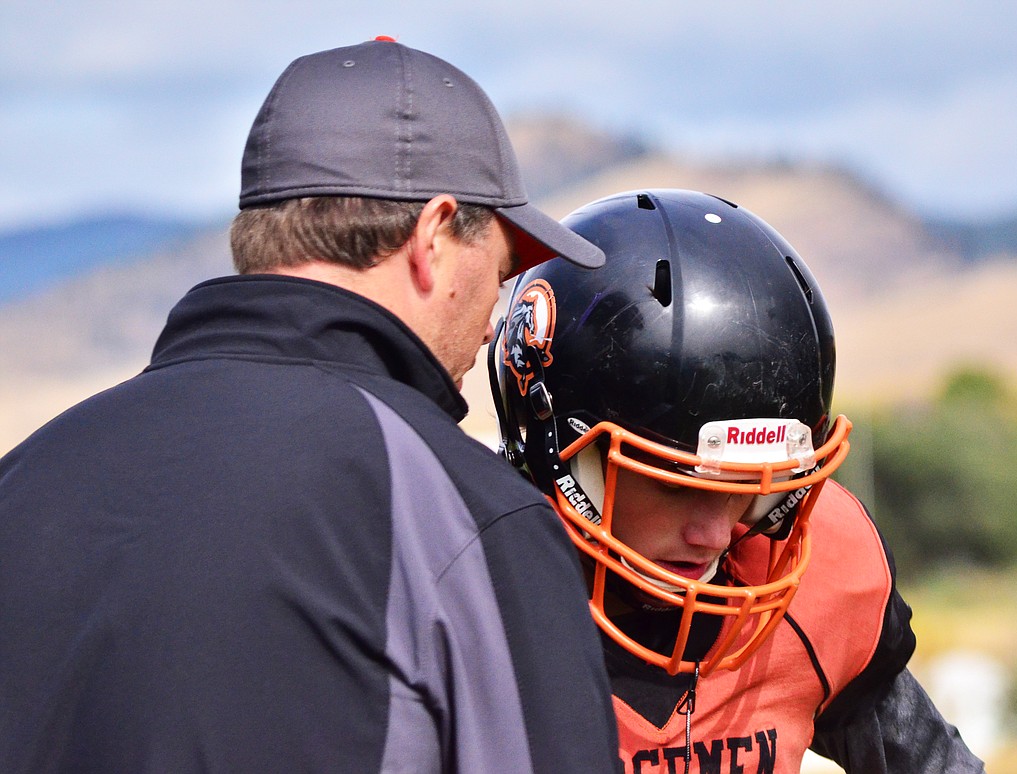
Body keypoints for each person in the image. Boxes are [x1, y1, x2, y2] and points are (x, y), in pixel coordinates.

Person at [0, 39, 621, 773]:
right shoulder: (464, 514)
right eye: (503, 266)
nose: (493, 318)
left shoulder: (25, 478)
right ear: (432, 236)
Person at [492, 188, 986, 773]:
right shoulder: (468, 599)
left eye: (746, 488)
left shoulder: (810, 579)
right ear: (557, 447)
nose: (716, 534)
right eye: (677, 483)